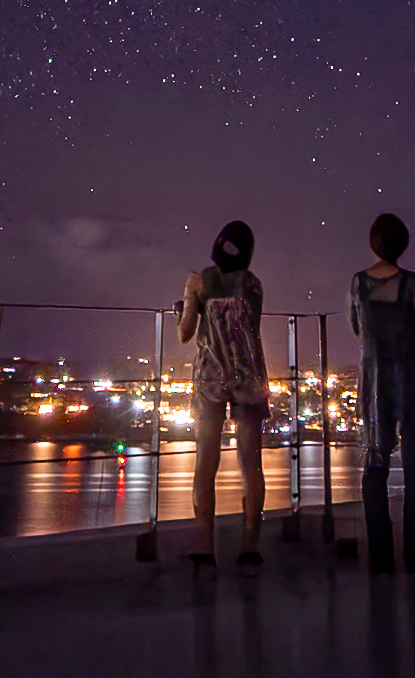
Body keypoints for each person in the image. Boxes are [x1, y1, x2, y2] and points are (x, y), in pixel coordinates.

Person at [350, 211, 415, 574]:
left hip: (374, 381)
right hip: (411, 379)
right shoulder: (412, 282)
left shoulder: (357, 283)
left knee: (375, 465)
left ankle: (380, 556)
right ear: (403, 244)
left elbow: (357, 328)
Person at [178, 219, 271, 570]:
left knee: (206, 463)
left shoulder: (199, 283)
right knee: (252, 465)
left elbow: (185, 333)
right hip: (249, 377)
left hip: (210, 380)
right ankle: (250, 546)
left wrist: (187, 302)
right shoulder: (254, 284)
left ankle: (205, 546)